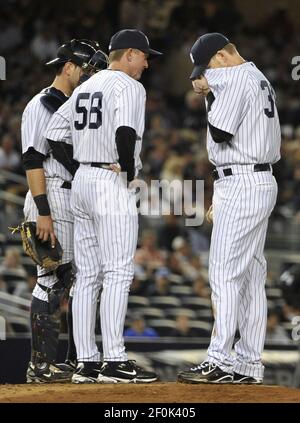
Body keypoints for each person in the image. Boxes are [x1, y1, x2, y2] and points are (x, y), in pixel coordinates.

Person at [178, 33, 281, 384]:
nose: (205, 75)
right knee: (251, 277)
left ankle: (219, 360)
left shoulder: (235, 77)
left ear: (223, 56)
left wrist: (210, 94)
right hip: (252, 181)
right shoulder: (258, 76)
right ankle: (249, 363)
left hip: (242, 181)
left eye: (207, 66)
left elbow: (221, 133)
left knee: (223, 273)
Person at [64, 29, 162, 384]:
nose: (148, 64)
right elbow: (125, 133)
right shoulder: (129, 86)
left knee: (87, 275)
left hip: (82, 181)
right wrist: (130, 170)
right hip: (109, 179)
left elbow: (55, 134)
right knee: (119, 273)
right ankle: (114, 360)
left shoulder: (84, 86)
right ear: (130, 54)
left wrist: (82, 163)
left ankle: (86, 361)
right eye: (145, 56)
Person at [21, 39, 107, 383]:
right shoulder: (43, 104)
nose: (88, 75)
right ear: (68, 66)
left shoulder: (74, 103)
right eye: (85, 68)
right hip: (52, 194)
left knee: (78, 280)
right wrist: (43, 212)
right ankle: (40, 366)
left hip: (73, 196)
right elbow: (31, 159)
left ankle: (73, 361)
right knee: (51, 279)